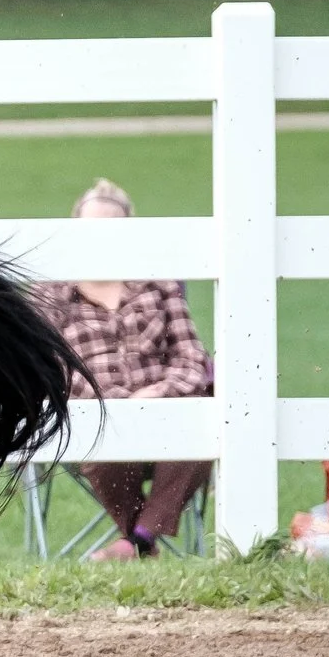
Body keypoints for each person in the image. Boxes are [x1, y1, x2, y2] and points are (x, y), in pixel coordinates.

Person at [33, 178, 214, 560]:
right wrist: (117, 403)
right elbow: (52, 370)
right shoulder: (50, 295)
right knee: (100, 438)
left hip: (167, 414)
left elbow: (192, 356)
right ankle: (142, 539)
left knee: (207, 416)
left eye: (112, 230)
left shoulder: (158, 285)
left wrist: (156, 394)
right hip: (97, 420)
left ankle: (137, 542)